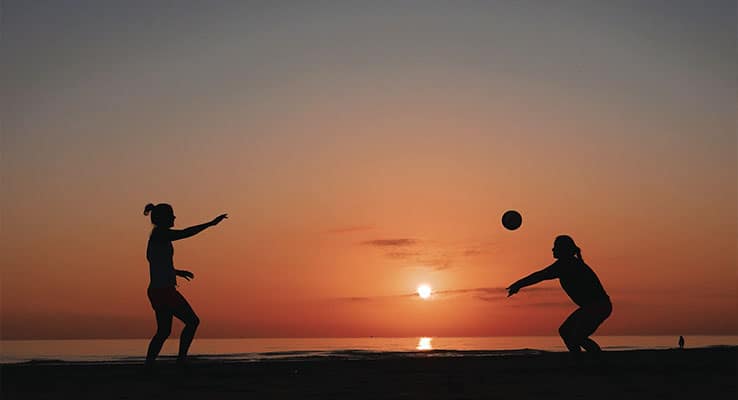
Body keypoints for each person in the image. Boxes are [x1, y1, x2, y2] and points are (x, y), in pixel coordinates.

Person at [143, 203, 228, 367]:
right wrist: (210, 224)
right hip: (164, 291)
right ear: (163, 218)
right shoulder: (160, 234)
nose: (175, 218)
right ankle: (180, 360)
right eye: (172, 215)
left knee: (163, 332)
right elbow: (185, 233)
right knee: (192, 321)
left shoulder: (158, 236)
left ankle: (149, 365)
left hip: (157, 290)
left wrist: (176, 272)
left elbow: (158, 263)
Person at [507, 235, 612, 353]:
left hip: (598, 306)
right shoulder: (568, 263)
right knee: (566, 332)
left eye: (555, 247)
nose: (552, 250)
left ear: (563, 250)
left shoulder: (566, 264)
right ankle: (580, 359)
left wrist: (518, 284)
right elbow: (541, 275)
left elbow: (540, 275)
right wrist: (519, 285)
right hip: (593, 307)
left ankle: (596, 361)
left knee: (577, 336)